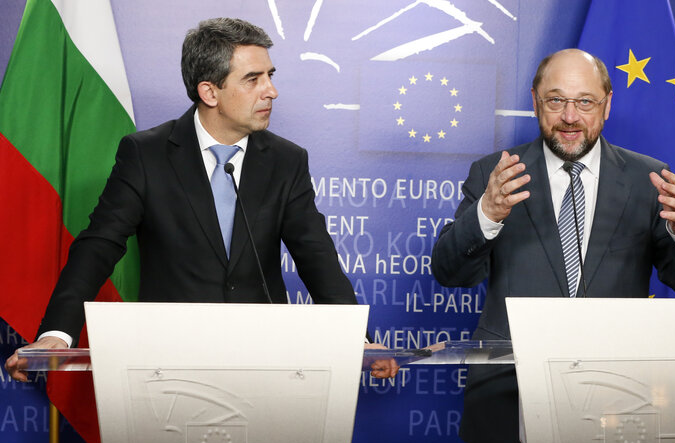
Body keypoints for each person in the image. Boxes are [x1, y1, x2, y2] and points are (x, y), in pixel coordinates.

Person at [5, 18, 397, 381]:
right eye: (253, 79)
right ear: (209, 91)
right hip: (165, 362)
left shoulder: (286, 160)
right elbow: (98, 246)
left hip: (264, 362)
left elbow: (317, 258)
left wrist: (356, 338)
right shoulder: (146, 154)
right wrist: (57, 333)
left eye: (270, 76)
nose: (271, 91)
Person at [431, 48, 675, 443]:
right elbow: (448, 271)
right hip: (509, 405)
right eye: (555, 101)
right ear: (534, 102)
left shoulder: (648, 178)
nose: (569, 117)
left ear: (607, 104)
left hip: (619, 407)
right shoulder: (495, 175)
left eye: (584, 103)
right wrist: (487, 213)